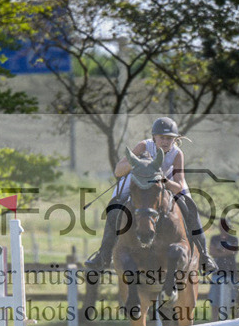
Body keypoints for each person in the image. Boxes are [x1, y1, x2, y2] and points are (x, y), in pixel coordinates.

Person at [85, 117, 218, 273]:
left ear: (175, 139)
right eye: (162, 137)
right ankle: (103, 255)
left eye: (169, 138)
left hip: (164, 183)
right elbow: (118, 171)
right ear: (154, 137)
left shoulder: (177, 154)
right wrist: (136, 162)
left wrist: (163, 180)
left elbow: (178, 185)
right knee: (115, 207)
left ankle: (204, 256)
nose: (165, 141)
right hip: (138, 180)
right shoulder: (143, 146)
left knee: (190, 207)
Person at [207, 218, 239, 320]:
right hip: (217, 272)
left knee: (232, 299)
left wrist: (219, 251)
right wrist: (224, 251)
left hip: (231, 273)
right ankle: (214, 321)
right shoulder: (214, 238)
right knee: (214, 299)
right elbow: (212, 252)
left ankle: (231, 322)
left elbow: (233, 252)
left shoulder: (233, 239)